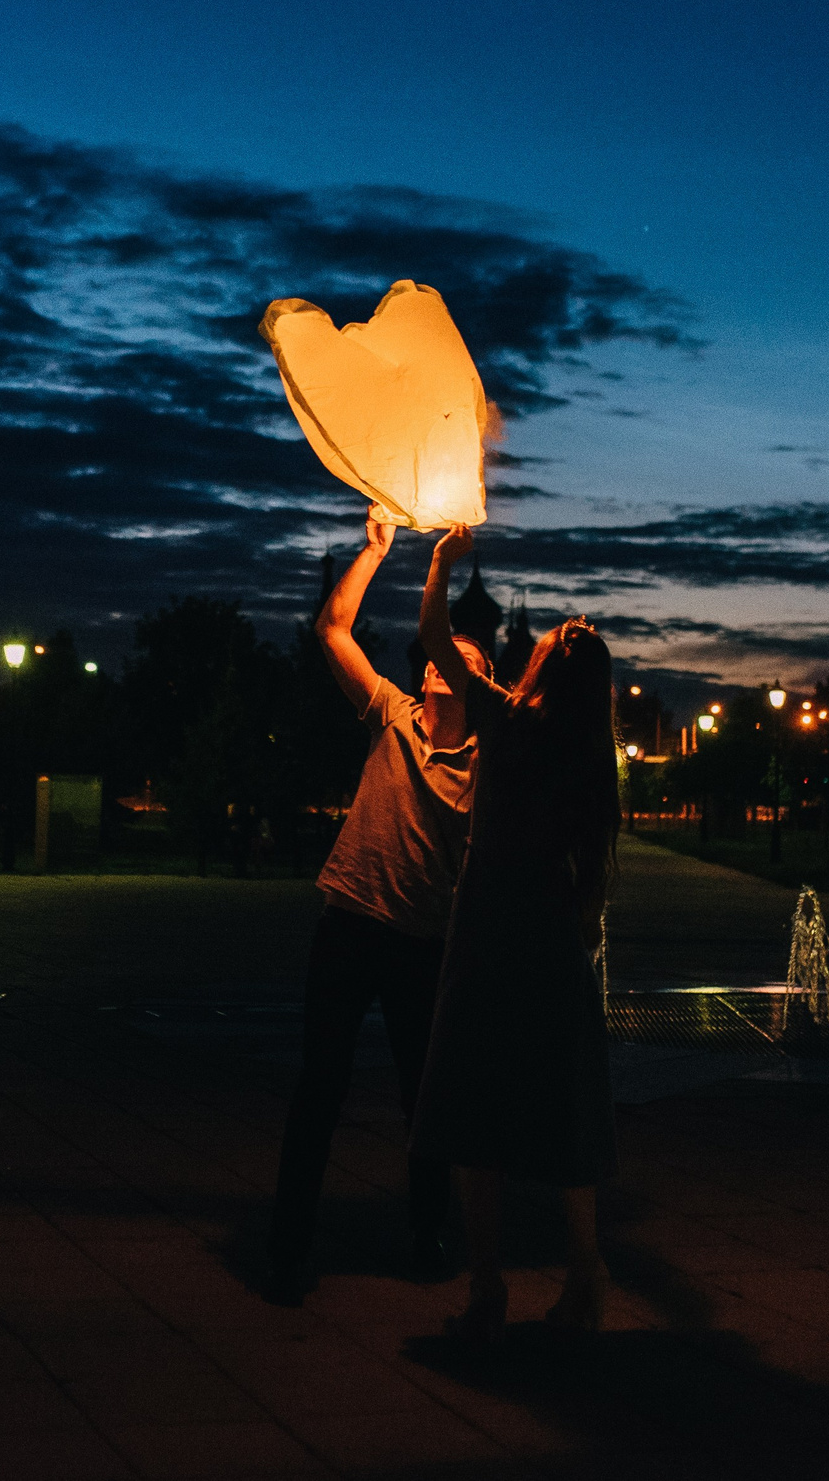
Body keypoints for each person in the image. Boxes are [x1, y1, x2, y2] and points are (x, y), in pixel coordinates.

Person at [268, 506, 495, 1305]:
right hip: (349, 924)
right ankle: (287, 1242)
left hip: (422, 944)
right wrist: (373, 553)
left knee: (422, 1098)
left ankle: (429, 1232)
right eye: (436, 654)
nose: (437, 663)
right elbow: (333, 632)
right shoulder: (391, 714)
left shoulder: (485, 764)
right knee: (318, 1086)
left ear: (477, 682)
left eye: (457, 656)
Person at [410, 522, 620, 1339]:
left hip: (489, 930)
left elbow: (434, 636)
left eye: (573, 635)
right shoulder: (586, 758)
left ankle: (487, 1285)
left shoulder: (505, 721)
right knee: (562, 1108)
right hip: (551, 938)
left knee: (473, 1106)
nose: (576, 623)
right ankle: (586, 1270)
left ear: (545, 665)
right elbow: (591, 876)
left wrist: (437, 561)